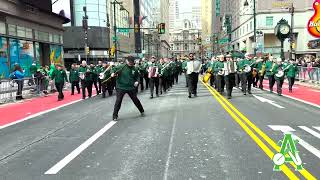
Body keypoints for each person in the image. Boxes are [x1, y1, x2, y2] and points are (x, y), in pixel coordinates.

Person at [111, 56, 145, 121]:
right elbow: (113, 69)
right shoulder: (121, 67)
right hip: (121, 87)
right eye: (129, 62)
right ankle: (115, 116)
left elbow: (137, 76)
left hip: (130, 87)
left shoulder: (134, 69)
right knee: (118, 101)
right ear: (126, 61)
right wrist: (112, 73)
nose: (131, 63)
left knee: (135, 99)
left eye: (132, 62)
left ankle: (142, 111)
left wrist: (137, 81)